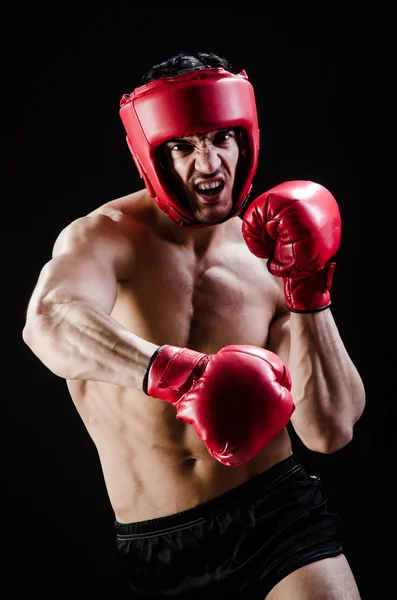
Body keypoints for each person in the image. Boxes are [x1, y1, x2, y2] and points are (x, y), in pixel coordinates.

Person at [22, 49, 366, 599]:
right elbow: (48, 323)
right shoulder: (105, 237)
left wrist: (310, 287)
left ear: (245, 139)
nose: (207, 166)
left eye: (221, 139)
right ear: (150, 156)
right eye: (182, 147)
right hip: (156, 541)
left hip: (278, 517)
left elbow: (330, 431)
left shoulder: (268, 253)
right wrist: (180, 374)